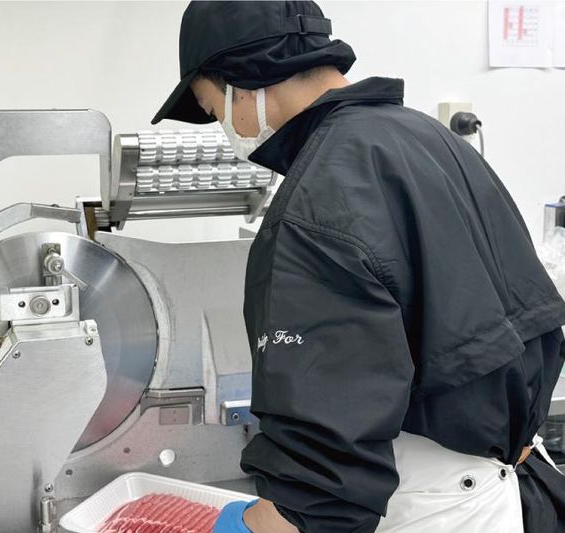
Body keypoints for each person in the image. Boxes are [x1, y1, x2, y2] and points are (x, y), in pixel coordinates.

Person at [151, 2, 565, 532]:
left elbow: (321, 484)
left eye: (214, 112)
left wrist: (249, 523)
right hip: (510, 486)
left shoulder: (314, 204)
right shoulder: (431, 139)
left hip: (425, 509)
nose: (225, 131)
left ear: (244, 85)